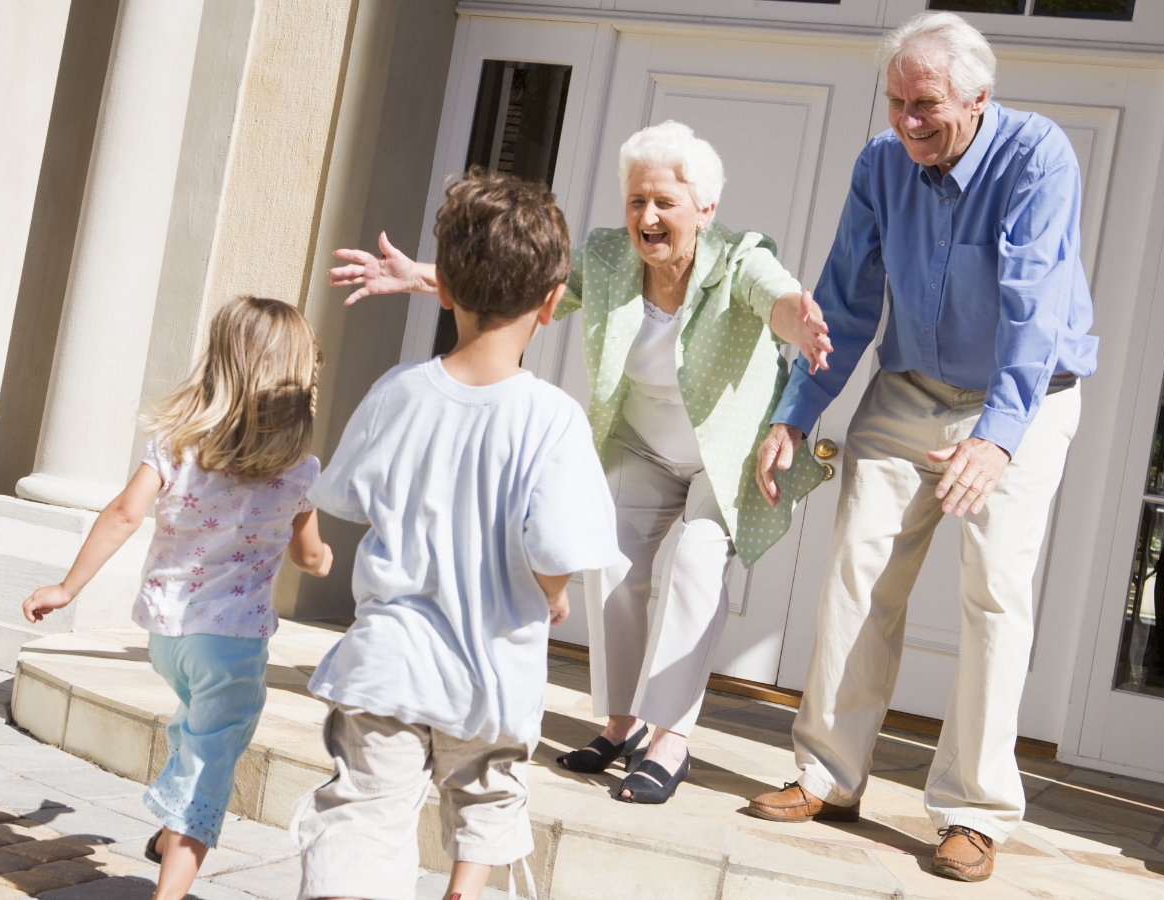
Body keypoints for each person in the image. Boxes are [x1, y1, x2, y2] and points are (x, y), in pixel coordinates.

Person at [328, 121, 832, 805]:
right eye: (635, 202)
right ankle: (621, 722)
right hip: (643, 443)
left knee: (694, 564)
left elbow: (775, 297)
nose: (646, 218)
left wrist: (796, 322)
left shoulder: (740, 259)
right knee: (615, 563)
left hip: (723, 454)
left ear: (705, 210)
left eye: (664, 203)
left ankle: (671, 736)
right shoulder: (605, 256)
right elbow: (523, 286)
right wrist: (424, 276)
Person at [746, 12, 1098, 884]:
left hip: (1027, 396)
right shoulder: (880, 164)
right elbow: (847, 297)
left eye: (926, 104)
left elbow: (1032, 305)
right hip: (908, 392)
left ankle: (974, 811)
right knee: (859, 573)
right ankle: (828, 775)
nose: (906, 122)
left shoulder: (1037, 156)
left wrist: (1000, 438)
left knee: (994, 593)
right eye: (896, 101)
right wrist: (798, 412)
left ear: (979, 99)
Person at [293, 171, 623, 900]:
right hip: (492, 671)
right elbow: (557, 548)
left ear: (442, 289)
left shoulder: (397, 392)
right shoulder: (553, 417)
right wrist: (555, 593)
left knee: (362, 817)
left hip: (390, 663)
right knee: (488, 797)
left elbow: (344, 496)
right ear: (551, 302)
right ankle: (462, 891)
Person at [20, 297, 333, 900]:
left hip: (167, 636)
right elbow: (309, 554)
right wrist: (323, 561)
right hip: (234, 646)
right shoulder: (298, 468)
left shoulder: (176, 444)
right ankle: (171, 890)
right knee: (211, 766)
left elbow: (122, 514)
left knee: (196, 729)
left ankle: (167, 837)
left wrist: (67, 587)